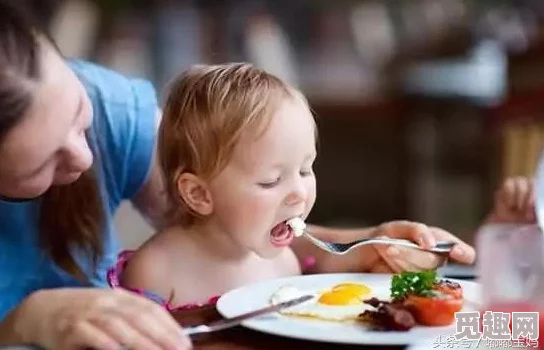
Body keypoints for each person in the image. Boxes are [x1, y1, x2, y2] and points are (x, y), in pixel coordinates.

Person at [0, 2, 474, 349]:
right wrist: (20, 323)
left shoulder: (113, 108)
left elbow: (230, 233)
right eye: (42, 164)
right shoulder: (155, 273)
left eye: (80, 114)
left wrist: (365, 246)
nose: (85, 159)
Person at [109, 63, 476, 309]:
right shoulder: (156, 272)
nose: (299, 193)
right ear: (200, 194)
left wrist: (398, 250)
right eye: (271, 179)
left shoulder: (285, 260)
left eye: (305, 170)